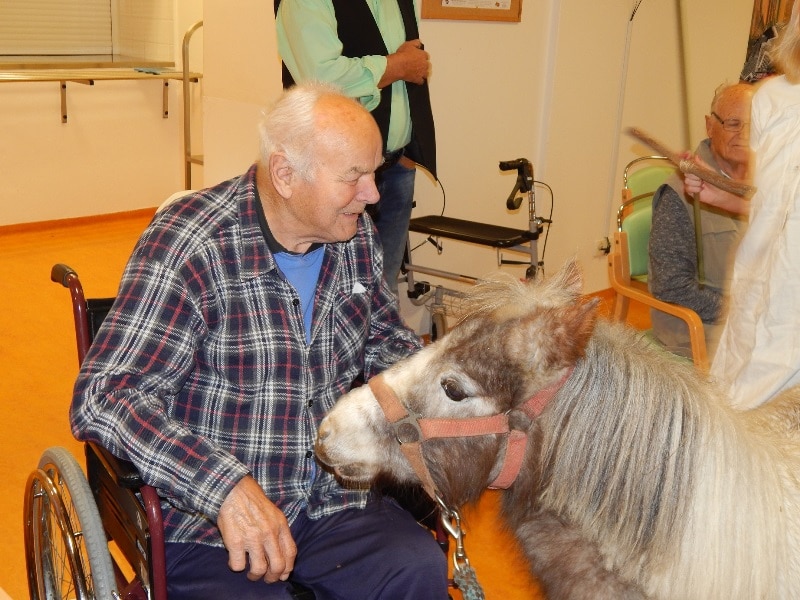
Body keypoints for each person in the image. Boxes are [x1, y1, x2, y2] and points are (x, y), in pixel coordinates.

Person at [69, 82, 448, 599]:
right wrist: (223, 487)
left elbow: (383, 339)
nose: (373, 194)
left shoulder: (351, 235)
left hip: (328, 500)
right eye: (354, 177)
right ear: (285, 174)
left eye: (374, 173)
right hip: (208, 520)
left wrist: (459, 395)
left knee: (416, 568)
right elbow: (106, 395)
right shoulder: (192, 243)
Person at [275, 0, 437, 296]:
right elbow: (321, 78)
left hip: (396, 167)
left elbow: (412, 61)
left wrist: (403, 150)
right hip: (333, 177)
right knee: (332, 292)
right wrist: (394, 67)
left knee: (383, 292)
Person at [686, 0, 800, 410]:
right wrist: (724, 197)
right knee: (735, 415)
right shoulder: (772, 98)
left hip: (795, 306)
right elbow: (774, 208)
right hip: (757, 290)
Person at [647, 82, 752, 361]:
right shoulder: (679, 195)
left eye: (753, 125)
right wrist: (741, 312)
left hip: (754, 321)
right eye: (733, 123)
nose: (744, 135)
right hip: (702, 328)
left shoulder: (767, 186)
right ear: (709, 126)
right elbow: (671, 286)